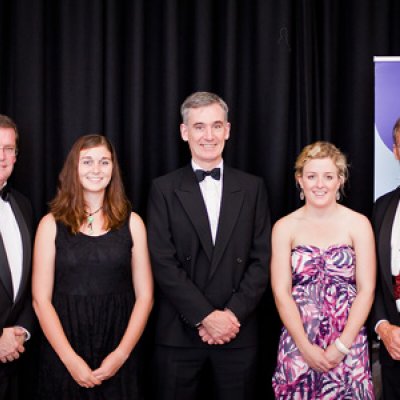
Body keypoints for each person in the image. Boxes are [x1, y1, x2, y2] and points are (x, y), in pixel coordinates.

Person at [146, 91, 271, 400]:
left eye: (216, 126)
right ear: (184, 132)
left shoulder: (253, 187)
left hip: (237, 332)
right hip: (179, 332)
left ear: (227, 130)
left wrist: (230, 317)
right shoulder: (162, 188)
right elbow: (162, 261)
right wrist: (205, 316)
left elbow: (262, 259)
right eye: (199, 127)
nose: (209, 135)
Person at [32, 134, 153, 399]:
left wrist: (121, 355)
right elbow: (41, 300)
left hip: (119, 346)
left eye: (104, 162)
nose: (96, 169)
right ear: (73, 168)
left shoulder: (133, 223)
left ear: (113, 169)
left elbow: (145, 296)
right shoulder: (50, 224)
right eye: (87, 161)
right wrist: (70, 359)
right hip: (64, 346)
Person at [271, 141, 375, 398]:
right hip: (298, 344)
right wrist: (305, 347)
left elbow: (366, 289)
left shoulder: (359, 224)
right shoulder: (284, 227)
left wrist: (342, 346)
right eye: (312, 176)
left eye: (328, 176)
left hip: (348, 344)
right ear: (299, 180)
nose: (320, 184)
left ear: (340, 180)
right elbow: (281, 292)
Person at [0, 115, 34, 400]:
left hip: (16, 360)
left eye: (8, 148)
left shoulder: (23, 204)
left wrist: (21, 330)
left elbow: (30, 279)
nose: (2, 157)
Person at [370, 117, 400, 399]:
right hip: (394, 351)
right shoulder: (382, 207)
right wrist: (384, 327)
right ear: (395, 151)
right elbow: (376, 279)